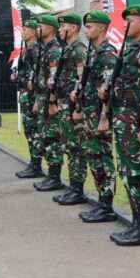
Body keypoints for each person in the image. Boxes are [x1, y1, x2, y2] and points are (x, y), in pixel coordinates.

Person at [108, 4, 140, 245]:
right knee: (128, 172)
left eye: (131, 21)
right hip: (123, 120)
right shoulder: (128, 51)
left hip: (136, 122)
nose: (125, 25)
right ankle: (136, 223)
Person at [74, 11, 118, 222]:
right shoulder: (93, 52)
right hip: (89, 113)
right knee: (94, 157)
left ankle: (107, 205)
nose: (86, 30)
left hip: (100, 115)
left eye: (90, 26)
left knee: (103, 159)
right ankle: (102, 202)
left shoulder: (108, 54)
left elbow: (108, 90)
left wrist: (104, 117)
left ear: (102, 28)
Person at [51, 13, 88, 203]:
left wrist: (77, 109)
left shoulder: (79, 50)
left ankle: (78, 189)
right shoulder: (68, 49)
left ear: (72, 28)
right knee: (69, 147)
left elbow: (81, 80)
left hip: (73, 104)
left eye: (62, 26)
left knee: (76, 148)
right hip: (64, 103)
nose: (59, 30)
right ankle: (73, 187)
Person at [32, 15, 65, 192]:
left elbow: (54, 78)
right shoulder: (46, 48)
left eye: (41, 26)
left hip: (51, 101)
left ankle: (55, 177)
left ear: (50, 29)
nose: (38, 29)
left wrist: (52, 101)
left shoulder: (53, 50)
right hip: (44, 98)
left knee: (53, 139)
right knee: (46, 136)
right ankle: (51, 175)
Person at [15, 19, 46, 179]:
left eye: (26, 29)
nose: (23, 32)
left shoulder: (35, 50)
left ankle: (36, 165)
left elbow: (36, 75)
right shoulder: (27, 49)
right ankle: (34, 163)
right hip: (26, 94)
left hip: (32, 96)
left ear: (34, 32)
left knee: (34, 131)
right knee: (29, 130)